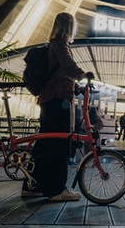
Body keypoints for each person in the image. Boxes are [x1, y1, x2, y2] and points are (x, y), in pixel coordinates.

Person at [21, 12, 86, 201]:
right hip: (58, 101)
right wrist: (83, 75)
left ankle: (33, 186)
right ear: (70, 26)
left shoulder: (53, 42)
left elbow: (59, 72)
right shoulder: (61, 41)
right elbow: (67, 64)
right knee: (59, 144)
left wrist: (77, 87)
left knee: (44, 143)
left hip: (48, 99)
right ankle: (56, 189)